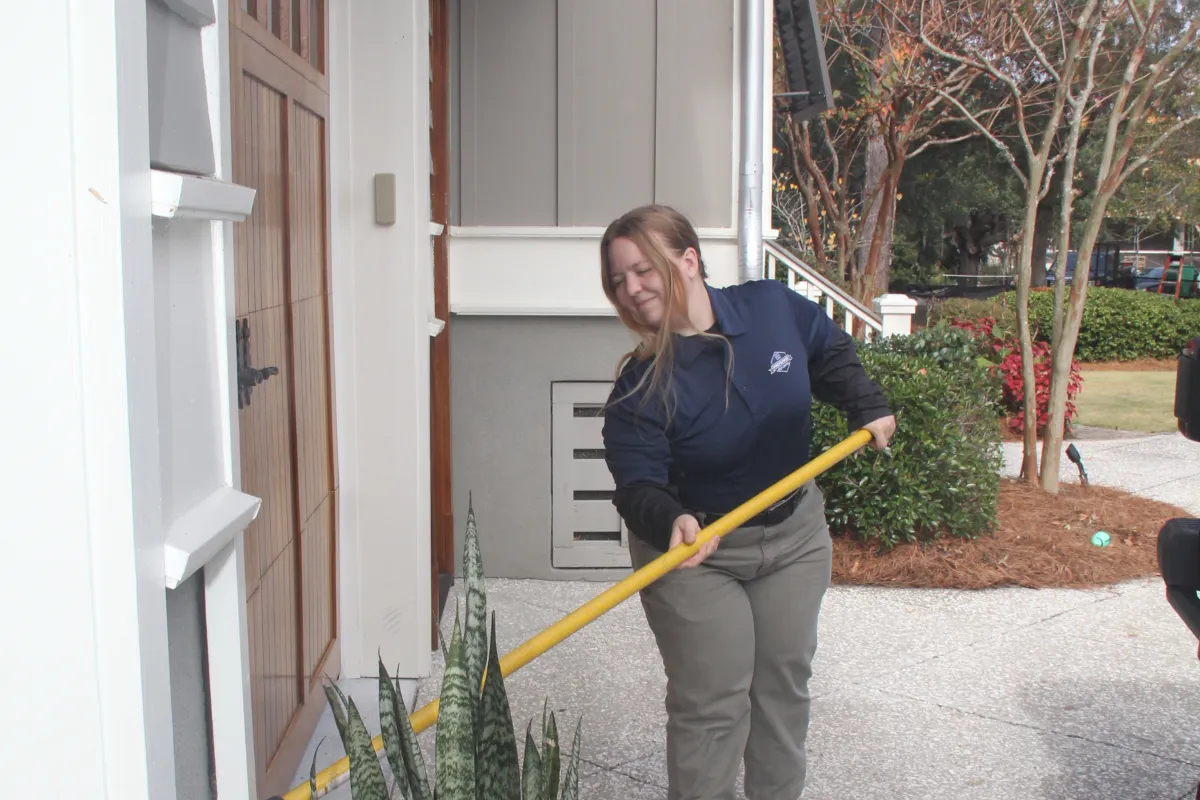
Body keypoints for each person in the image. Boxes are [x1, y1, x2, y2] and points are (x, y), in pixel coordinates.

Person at [598, 204, 896, 800]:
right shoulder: (640, 385)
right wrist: (671, 518)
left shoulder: (770, 308)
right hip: (694, 552)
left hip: (795, 536)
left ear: (689, 261)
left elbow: (827, 349)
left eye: (642, 270)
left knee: (783, 689)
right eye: (617, 280)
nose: (630, 290)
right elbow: (637, 486)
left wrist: (866, 403)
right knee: (713, 704)